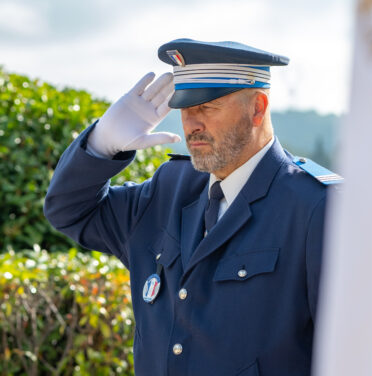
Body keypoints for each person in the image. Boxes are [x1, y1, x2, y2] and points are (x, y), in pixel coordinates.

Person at [44, 39, 342, 376]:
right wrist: (101, 145)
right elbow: (69, 210)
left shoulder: (318, 207)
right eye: (185, 108)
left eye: (207, 107)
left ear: (257, 108)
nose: (191, 124)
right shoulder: (169, 189)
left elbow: (351, 353)